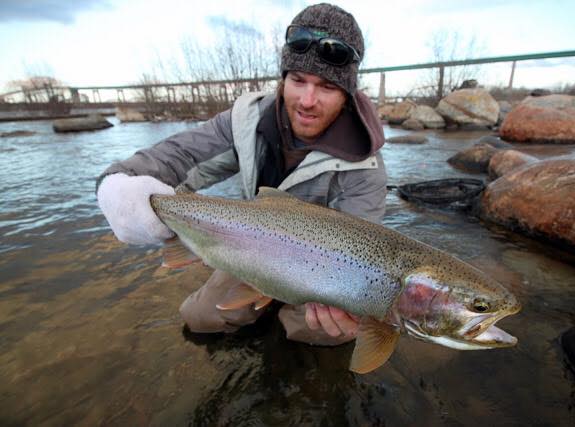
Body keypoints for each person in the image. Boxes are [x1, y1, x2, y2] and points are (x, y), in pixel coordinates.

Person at [96, 3, 387, 346]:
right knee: (200, 319)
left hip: (320, 278)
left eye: (326, 87)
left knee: (325, 329)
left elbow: (366, 265)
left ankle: (285, 337)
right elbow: (177, 157)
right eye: (297, 80)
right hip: (251, 250)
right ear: (283, 79)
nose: (308, 100)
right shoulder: (244, 121)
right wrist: (117, 185)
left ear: (348, 94)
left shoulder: (366, 166)